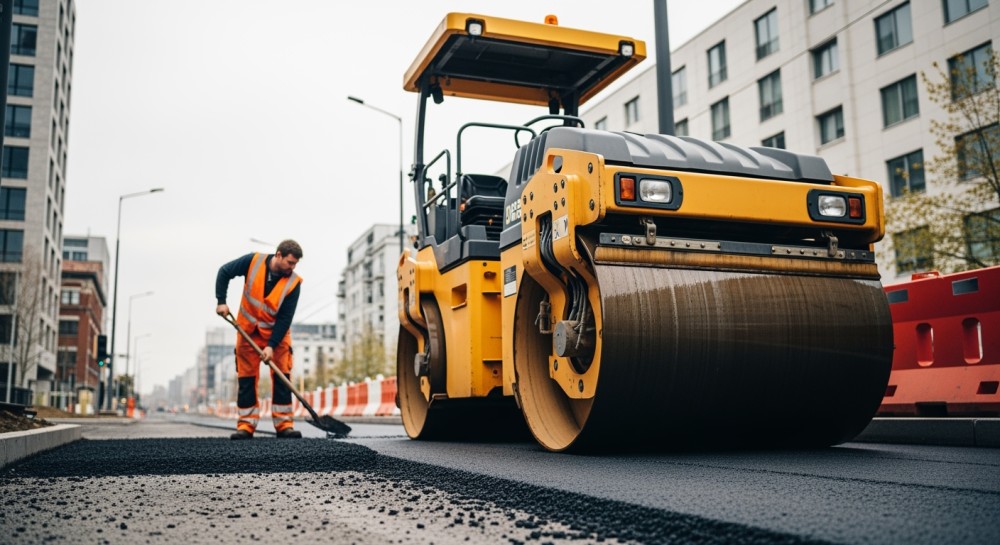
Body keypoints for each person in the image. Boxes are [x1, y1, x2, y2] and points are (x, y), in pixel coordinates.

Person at [216, 239, 304, 440]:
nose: (292, 267)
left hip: (278, 337)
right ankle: (246, 424)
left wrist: (271, 346)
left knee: (282, 378)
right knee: (246, 379)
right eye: (290, 262)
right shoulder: (252, 262)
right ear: (278, 255)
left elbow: (285, 319)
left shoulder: (293, 283)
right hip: (247, 332)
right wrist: (221, 301)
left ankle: (284, 424)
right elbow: (224, 272)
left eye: (295, 264)